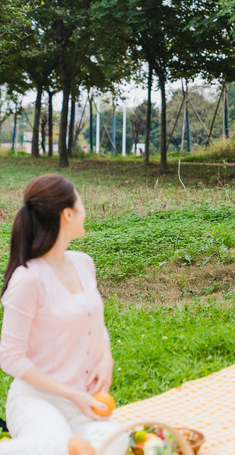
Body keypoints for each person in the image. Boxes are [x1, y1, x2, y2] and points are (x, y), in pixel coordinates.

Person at [0, 174, 128, 455]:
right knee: (55, 446)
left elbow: (95, 323)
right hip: (37, 400)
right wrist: (70, 394)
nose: (85, 210)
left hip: (81, 401)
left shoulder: (84, 263)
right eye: (80, 202)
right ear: (67, 214)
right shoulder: (28, 279)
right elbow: (9, 356)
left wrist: (106, 357)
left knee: (117, 442)